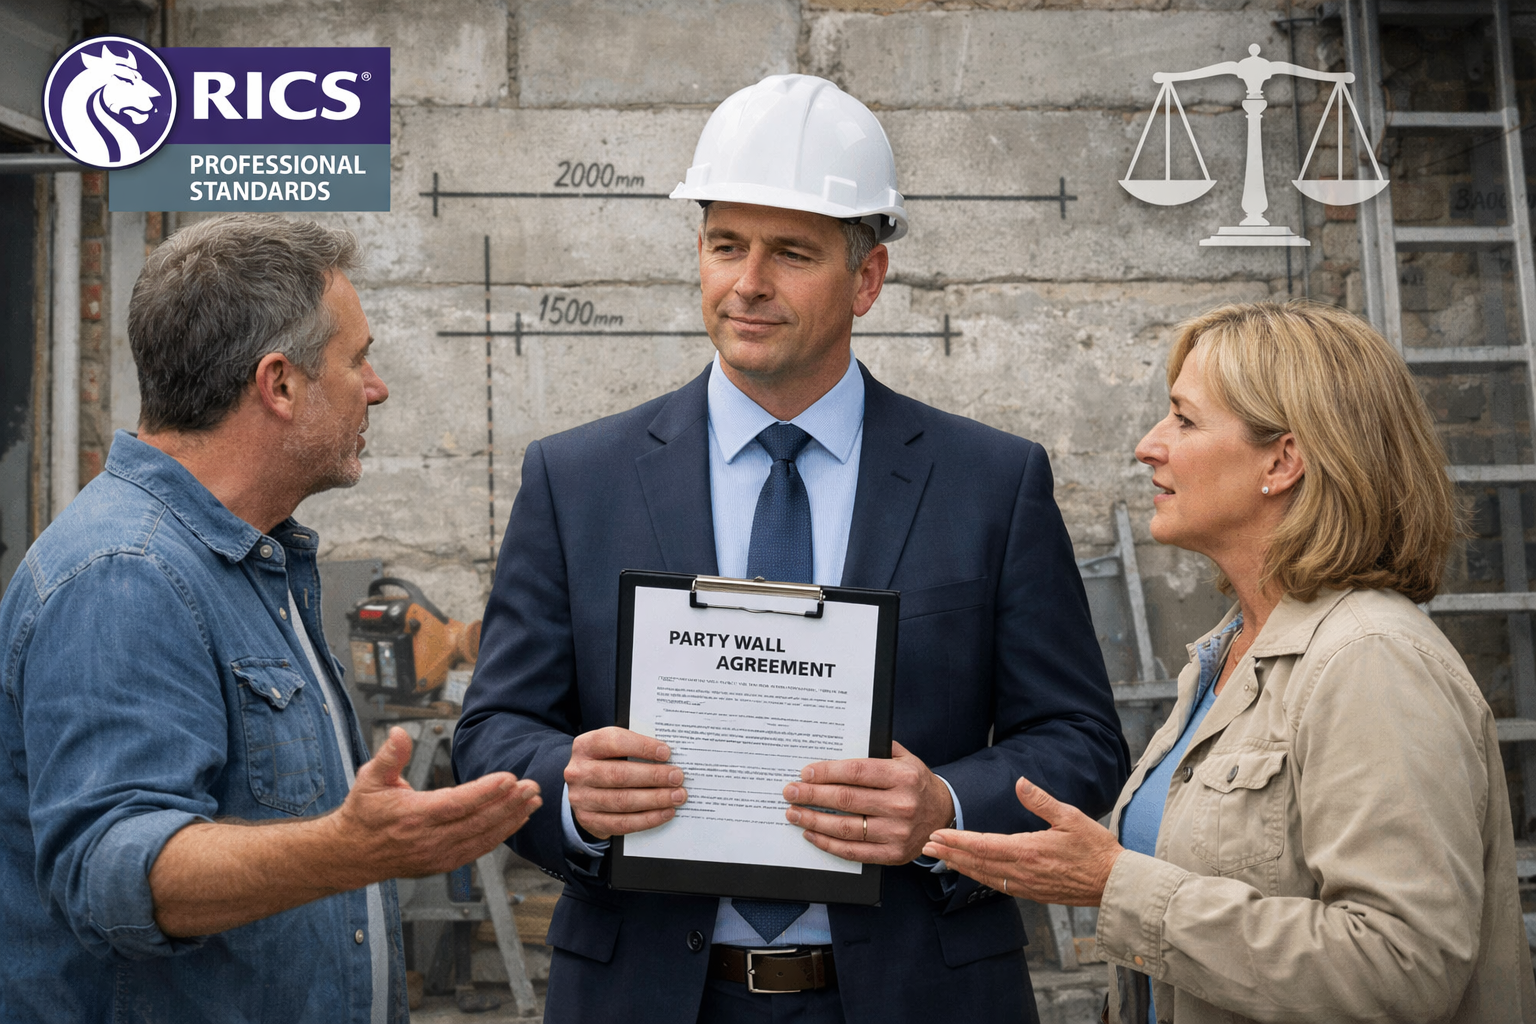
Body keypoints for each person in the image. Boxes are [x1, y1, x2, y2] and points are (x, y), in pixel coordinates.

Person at [453, 74, 1128, 1024]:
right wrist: (573, 789)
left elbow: (1081, 740)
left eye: (791, 253)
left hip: (916, 993)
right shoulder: (578, 480)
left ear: (868, 277)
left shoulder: (991, 483)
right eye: (725, 245)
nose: (748, 283)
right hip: (648, 994)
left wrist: (943, 805)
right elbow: (492, 732)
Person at [923, 301, 1536, 1024]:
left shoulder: (1370, 660)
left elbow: (1401, 964)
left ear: (1282, 460)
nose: (1150, 445)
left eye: (1184, 420)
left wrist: (1119, 886)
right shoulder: (1230, 653)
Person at [0, 215, 542, 1024]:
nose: (377, 385)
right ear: (279, 384)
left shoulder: (248, 561)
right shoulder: (127, 575)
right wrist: (347, 852)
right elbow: (112, 872)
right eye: (357, 359)